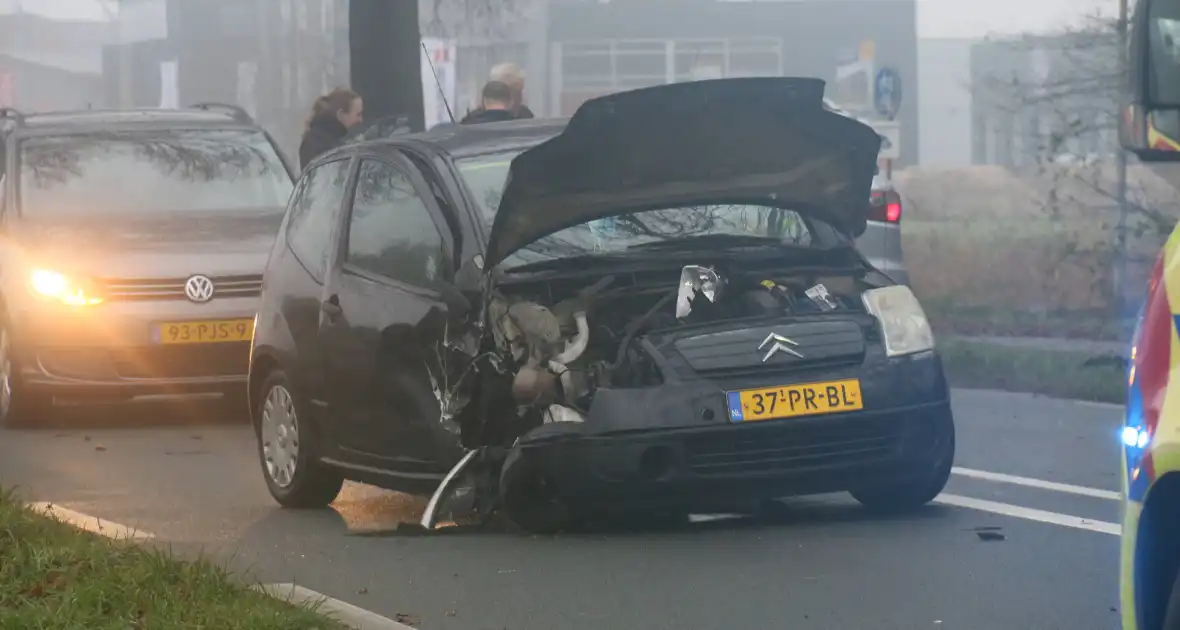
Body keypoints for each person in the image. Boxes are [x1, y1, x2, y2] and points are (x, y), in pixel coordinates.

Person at [299, 88, 363, 170]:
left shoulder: (331, 139)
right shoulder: (320, 144)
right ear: (341, 115)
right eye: (358, 115)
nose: (361, 120)